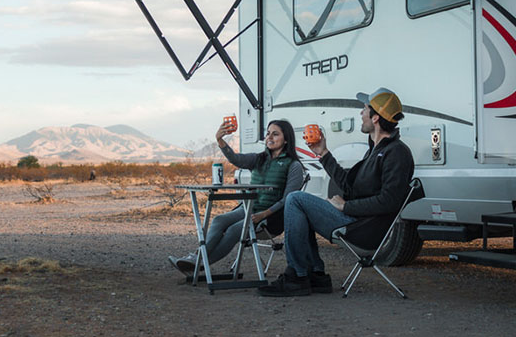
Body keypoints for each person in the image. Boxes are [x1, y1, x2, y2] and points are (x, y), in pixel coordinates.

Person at [258, 87, 415, 297]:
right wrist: (323, 153)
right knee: (302, 205)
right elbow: (349, 186)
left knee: (295, 199)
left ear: (375, 117)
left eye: (364, 109)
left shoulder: (396, 153)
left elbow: (389, 201)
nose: (361, 113)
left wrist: (346, 206)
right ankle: (315, 274)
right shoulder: (375, 151)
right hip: (356, 220)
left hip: (364, 229)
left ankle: (297, 276)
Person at [167, 119, 305, 275]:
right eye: (267, 134)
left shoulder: (294, 166)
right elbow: (235, 159)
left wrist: (264, 214)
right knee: (219, 220)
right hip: (249, 208)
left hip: (271, 218)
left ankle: (198, 262)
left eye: (275, 134)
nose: (269, 138)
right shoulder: (259, 159)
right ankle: (197, 259)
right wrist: (220, 140)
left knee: (234, 230)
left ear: (286, 139)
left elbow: (288, 200)